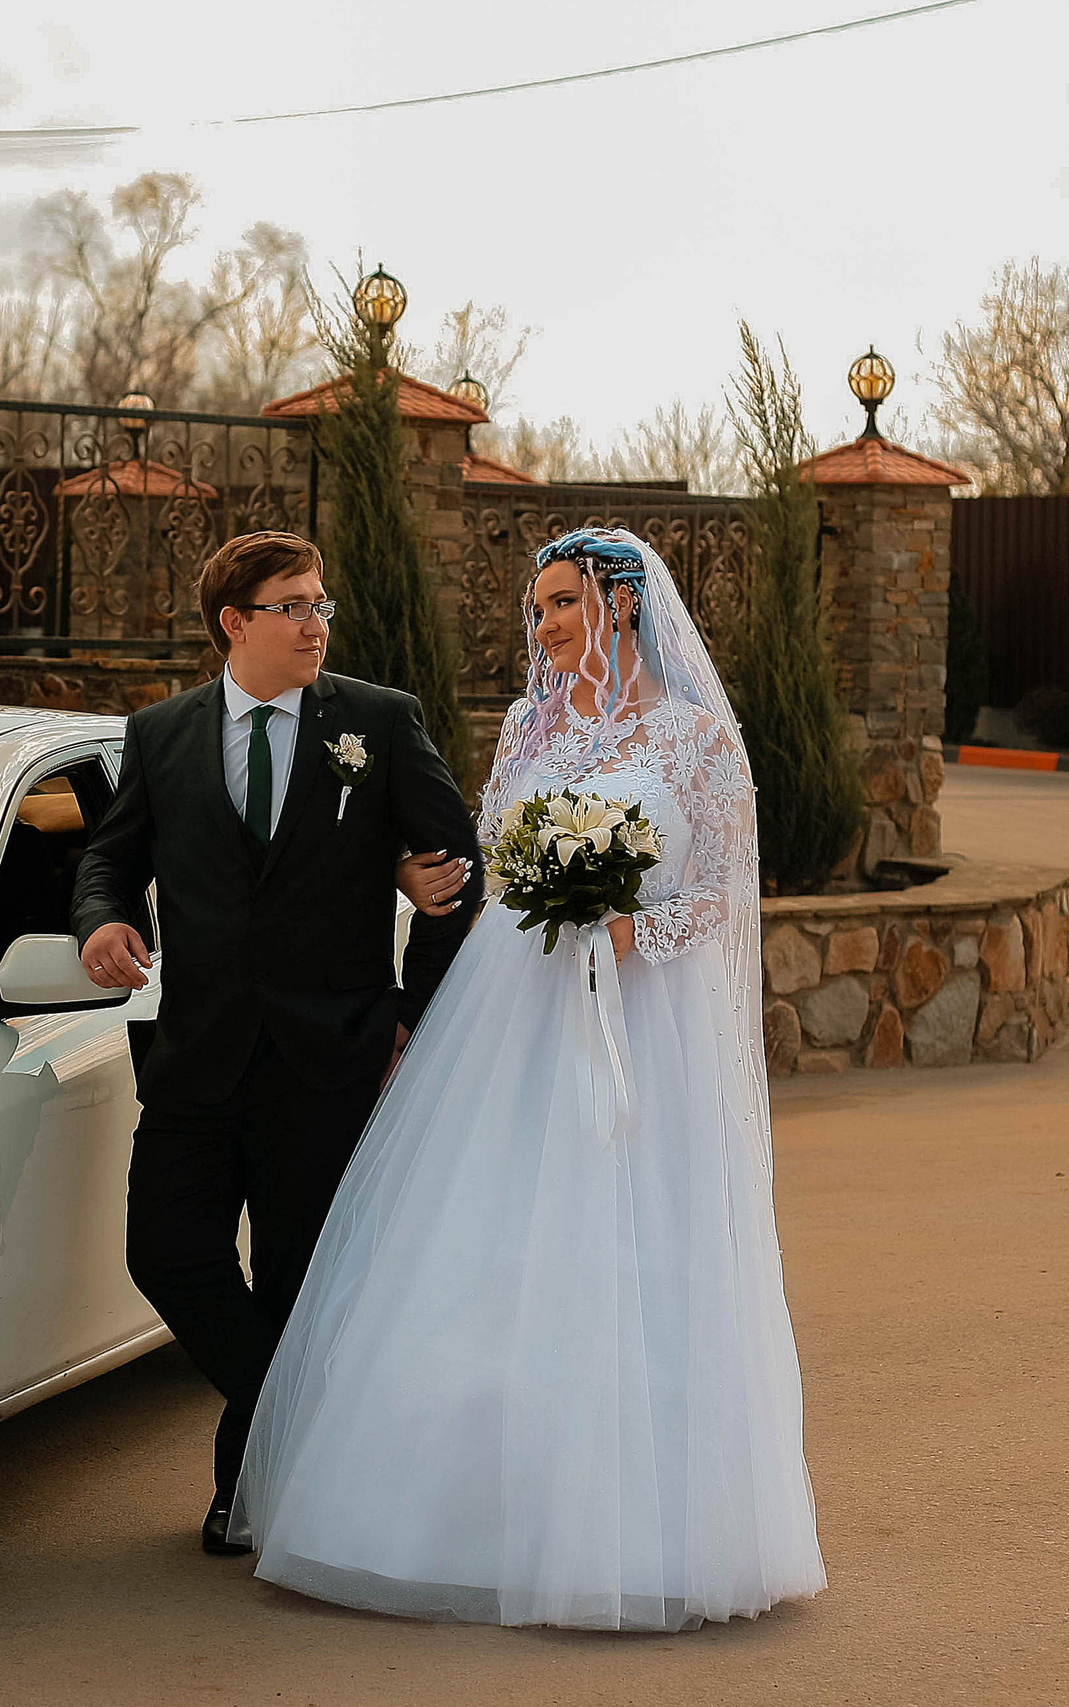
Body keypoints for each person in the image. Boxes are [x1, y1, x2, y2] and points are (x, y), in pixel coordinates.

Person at [226, 526, 827, 1630]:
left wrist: (627, 926)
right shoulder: (526, 724)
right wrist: (510, 889)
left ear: (621, 606)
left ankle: (646, 1531)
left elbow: (727, 899)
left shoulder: (697, 742)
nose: (542, 627)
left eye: (560, 604)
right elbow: (497, 856)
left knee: (637, 1247)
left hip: (644, 1025)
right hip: (516, 1010)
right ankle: (453, 1519)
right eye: (536, 608)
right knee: (480, 1243)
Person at [71, 530, 483, 1556]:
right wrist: (101, 924)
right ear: (235, 623)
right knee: (165, 1252)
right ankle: (319, 1421)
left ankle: (243, 1497)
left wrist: (408, 1017)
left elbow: (458, 871)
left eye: (320, 604)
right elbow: (105, 862)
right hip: (196, 1056)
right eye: (293, 606)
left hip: (332, 1058)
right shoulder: (159, 733)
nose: (315, 623)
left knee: (298, 1282)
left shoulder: (377, 723)